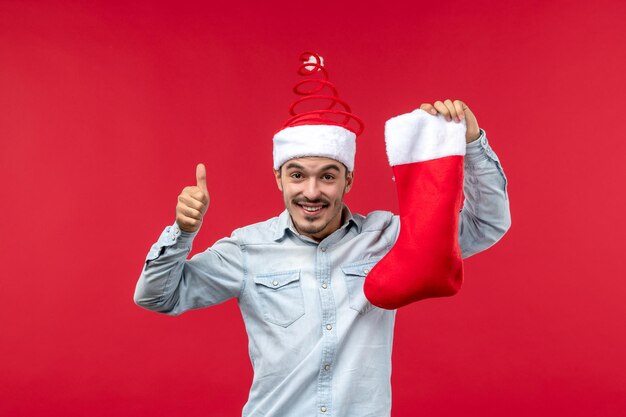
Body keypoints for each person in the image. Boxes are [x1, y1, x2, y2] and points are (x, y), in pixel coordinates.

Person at [134, 53, 511, 417]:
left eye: (327, 176)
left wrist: (473, 143)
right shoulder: (247, 249)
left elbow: (486, 225)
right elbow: (157, 297)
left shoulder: (387, 236)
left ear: (348, 179)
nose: (311, 191)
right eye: (297, 175)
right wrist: (183, 232)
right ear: (279, 178)